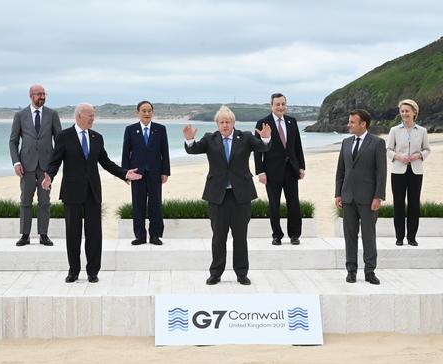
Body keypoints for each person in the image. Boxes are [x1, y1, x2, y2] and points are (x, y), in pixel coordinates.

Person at [42, 103, 142, 283]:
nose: (93, 119)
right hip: (72, 192)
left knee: (94, 234)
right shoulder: (64, 136)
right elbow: (55, 161)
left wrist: (124, 173)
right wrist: (49, 175)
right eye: (90, 115)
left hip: (93, 192)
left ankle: (93, 271)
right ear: (79, 116)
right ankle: (73, 271)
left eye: (94, 115)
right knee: (73, 234)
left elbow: (106, 162)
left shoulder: (97, 137)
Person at [184, 105, 271, 285]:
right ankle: (215, 273)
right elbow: (193, 149)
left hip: (241, 196)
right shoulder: (210, 138)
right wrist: (190, 140)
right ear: (217, 124)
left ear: (233, 123)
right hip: (217, 196)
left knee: (240, 237)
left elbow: (263, 147)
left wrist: (266, 138)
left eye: (228, 122)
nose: (225, 125)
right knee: (218, 237)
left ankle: (241, 273)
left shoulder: (245, 137)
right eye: (222, 122)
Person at [335, 109, 386, 285]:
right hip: (347, 197)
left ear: (363, 124)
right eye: (349, 122)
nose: (348, 125)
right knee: (350, 236)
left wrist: (378, 196)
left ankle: (370, 271)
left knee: (368, 236)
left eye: (352, 122)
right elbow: (340, 171)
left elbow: (381, 173)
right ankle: (351, 271)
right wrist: (338, 193)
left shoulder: (377, 143)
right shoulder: (345, 143)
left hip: (368, 199)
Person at [9, 84, 62, 247]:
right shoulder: (20, 115)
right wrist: (16, 162)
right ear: (31, 95)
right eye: (39, 94)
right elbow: (13, 141)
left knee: (45, 202)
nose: (42, 97)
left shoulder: (52, 114)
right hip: (26, 166)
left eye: (44, 94)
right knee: (25, 201)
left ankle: (43, 235)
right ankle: (25, 235)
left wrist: (54, 166)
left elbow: (59, 140)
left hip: (46, 167)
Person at [254, 93, 306, 245]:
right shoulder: (263, 123)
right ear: (272, 106)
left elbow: (297, 146)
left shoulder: (292, 121)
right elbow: (257, 150)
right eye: (277, 104)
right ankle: (277, 235)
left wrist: (301, 166)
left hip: (291, 170)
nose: (280, 107)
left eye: (283, 104)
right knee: (274, 204)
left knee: (294, 204)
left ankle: (295, 235)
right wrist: (261, 172)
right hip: (271, 172)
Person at [121, 101, 170, 245]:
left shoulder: (160, 129)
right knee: (138, 205)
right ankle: (140, 236)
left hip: (155, 173)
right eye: (143, 111)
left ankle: (155, 235)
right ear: (138, 113)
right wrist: (125, 173)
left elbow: (165, 152)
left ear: (152, 112)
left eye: (149, 111)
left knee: (156, 205)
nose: (147, 113)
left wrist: (165, 172)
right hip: (136, 173)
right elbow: (125, 153)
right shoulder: (130, 129)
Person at [386, 99, 431, 246]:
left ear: (414, 113)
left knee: (414, 204)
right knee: (398, 204)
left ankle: (412, 237)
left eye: (407, 111)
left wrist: (419, 155)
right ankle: (399, 237)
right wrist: (399, 156)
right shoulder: (394, 130)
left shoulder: (422, 131)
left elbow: (427, 149)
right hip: (398, 171)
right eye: (402, 111)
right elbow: (388, 150)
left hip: (416, 171)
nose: (404, 113)